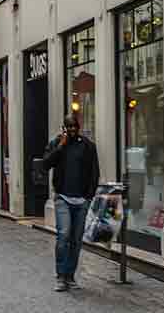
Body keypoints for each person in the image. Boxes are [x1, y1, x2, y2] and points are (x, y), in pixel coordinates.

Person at [43, 115, 100, 292]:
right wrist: (61, 146)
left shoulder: (88, 146)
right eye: (69, 126)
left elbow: (94, 172)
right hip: (63, 198)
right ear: (64, 128)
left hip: (81, 200)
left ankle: (70, 276)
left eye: (74, 126)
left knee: (76, 240)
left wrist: (89, 196)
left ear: (79, 126)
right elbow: (46, 164)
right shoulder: (57, 144)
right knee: (63, 236)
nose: (72, 129)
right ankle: (60, 276)